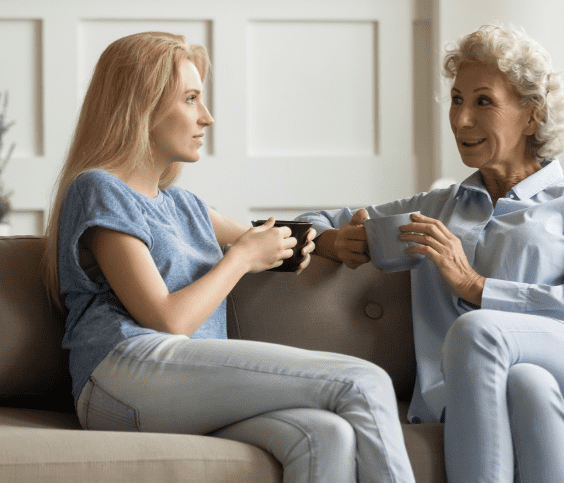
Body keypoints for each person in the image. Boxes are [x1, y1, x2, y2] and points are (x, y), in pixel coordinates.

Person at [42, 31, 416, 483]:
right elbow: (166, 318)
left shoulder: (185, 207)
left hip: (179, 384)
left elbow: (272, 240)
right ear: (141, 105)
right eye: (191, 99)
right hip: (121, 373)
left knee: (325, 435)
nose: (208, 117)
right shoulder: (98, 188)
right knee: (365, 383)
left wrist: (337, 242)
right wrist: (240, 258)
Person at [297, 25, 564, 483]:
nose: (461, 120)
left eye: (483, 101)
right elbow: (312, 218)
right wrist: (332, 241)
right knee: (528, 386)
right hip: (478, 386)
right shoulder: (436, 209)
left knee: (478, 330)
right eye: (457, 100)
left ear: (532, 115)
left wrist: (477, 287)